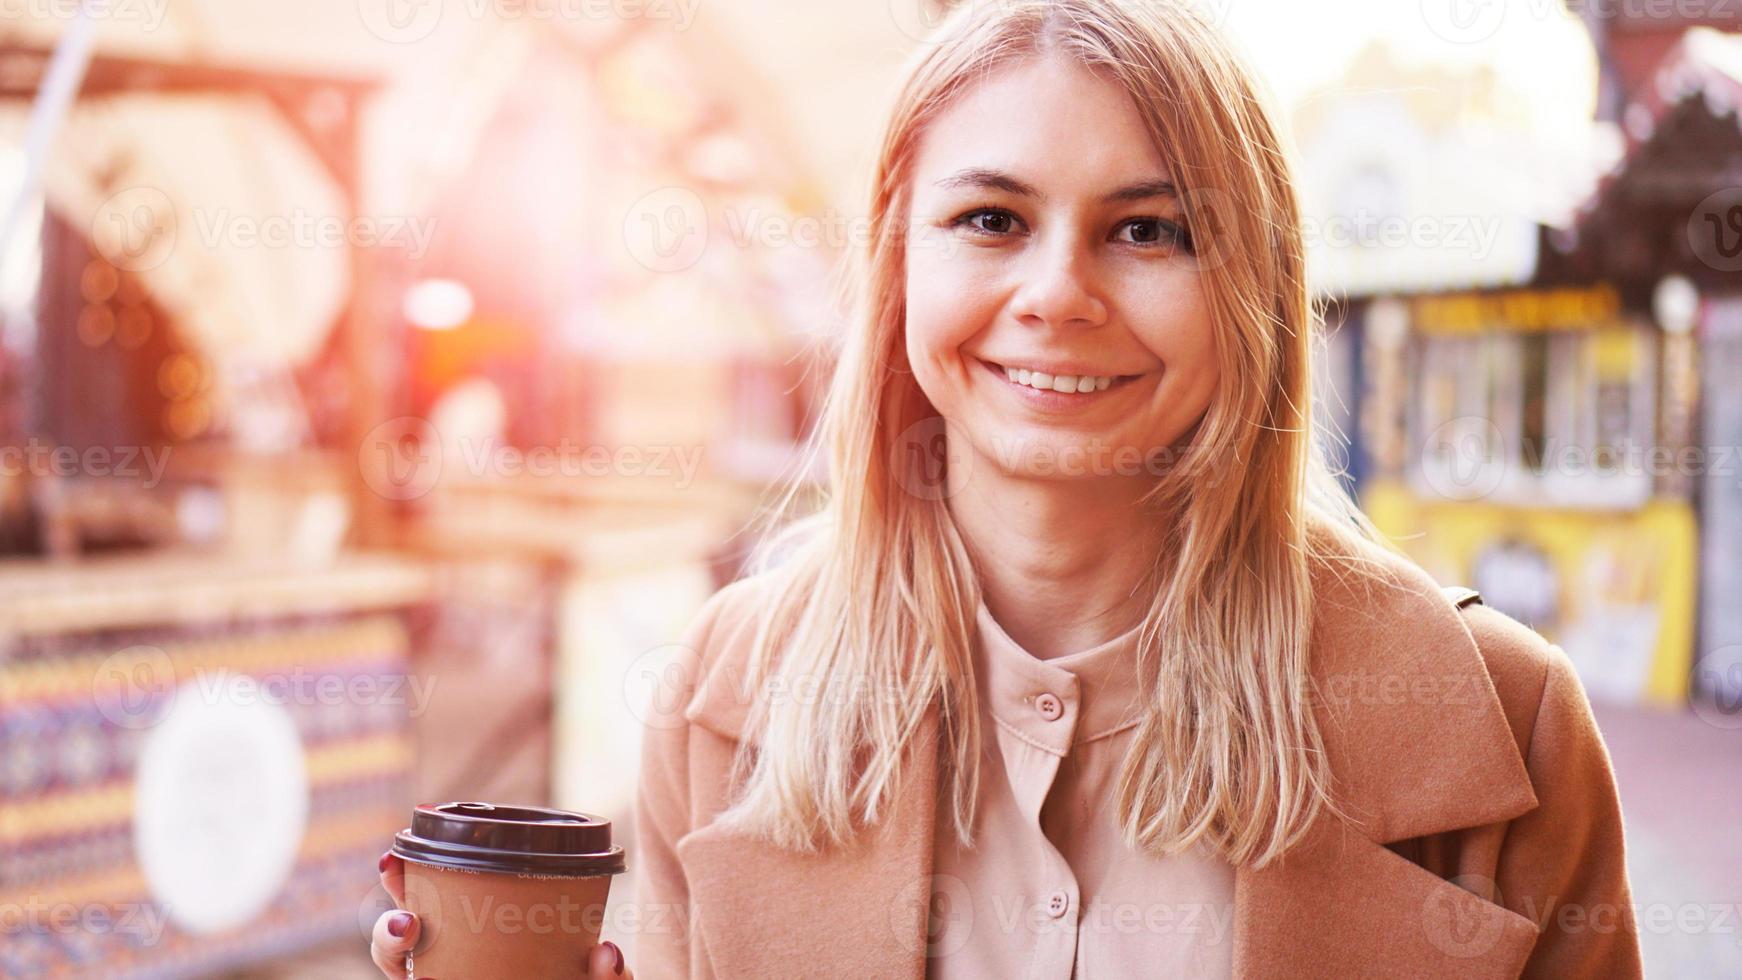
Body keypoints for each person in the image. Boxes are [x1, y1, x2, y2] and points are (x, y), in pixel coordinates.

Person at [372, 0, 1644, 976]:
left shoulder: (1504, 721)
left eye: (1147, 229)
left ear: (1252, 286)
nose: (1055, 293)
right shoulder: (720, 696)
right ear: (897, 260)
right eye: (990, 218)